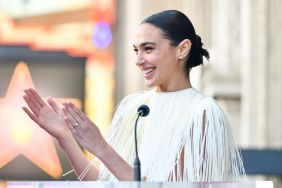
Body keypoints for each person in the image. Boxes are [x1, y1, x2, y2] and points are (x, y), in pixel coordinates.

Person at [22, 10, 245, 181]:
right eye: (136, 51)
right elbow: (104, 184)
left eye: (148, 49)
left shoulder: (204, 112)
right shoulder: (134, 106)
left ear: (182, 49)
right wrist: (65, 138)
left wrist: (101, 147)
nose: (139, 60)